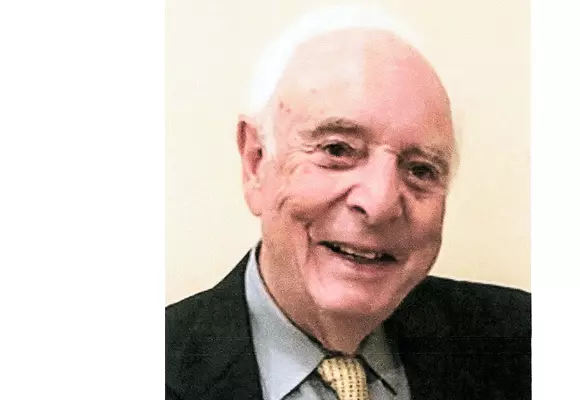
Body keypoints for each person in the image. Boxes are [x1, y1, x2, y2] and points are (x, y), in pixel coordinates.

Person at [166, 6, 530, 400]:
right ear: (256, 162)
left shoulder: (524, 345)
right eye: (337, 150)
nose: (380, 203)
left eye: (421, 170)